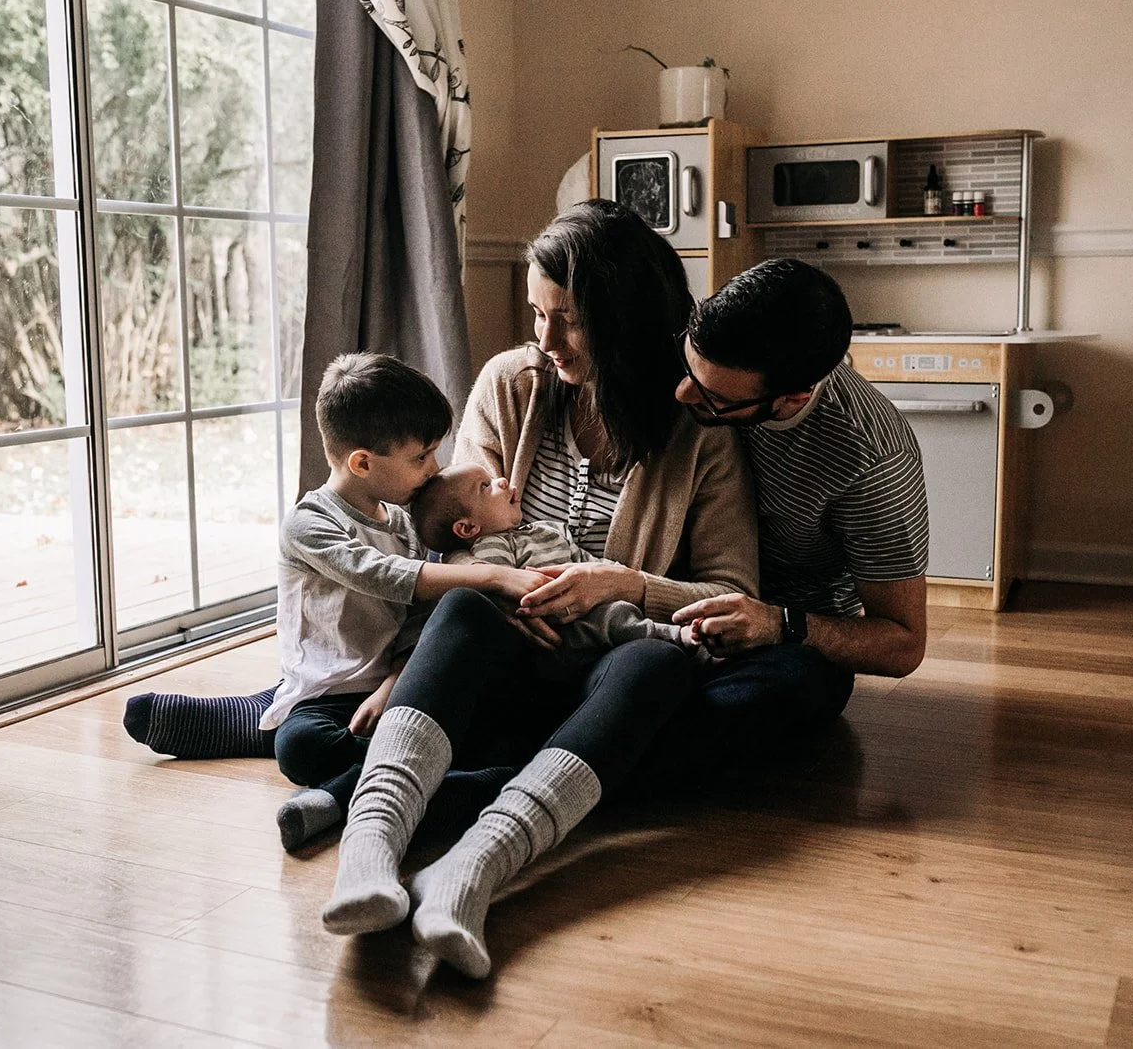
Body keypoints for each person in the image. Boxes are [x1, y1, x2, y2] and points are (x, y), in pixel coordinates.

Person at [320, 200, 759, 980]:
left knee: (662, 670)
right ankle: (367, 850)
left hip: (611, 654)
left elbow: (729, 590)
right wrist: (404, 668)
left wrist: (620, 583)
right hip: (506, 646)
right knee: (458, 610)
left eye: (571, 321)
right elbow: (452, 532)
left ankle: (474, 869)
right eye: (537, 314)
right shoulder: (512, 384)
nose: (545, 340)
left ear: (625, 323)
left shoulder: (699, 433)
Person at [124, 352, 544, 851]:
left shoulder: (405, 523)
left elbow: (419, 621)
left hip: (395, 690)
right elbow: (385, 576)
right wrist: (495, 576)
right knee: (301, 747)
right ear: (362, 463)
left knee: (488, 725)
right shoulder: (310, 524)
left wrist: (393, 683)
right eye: (421, 457)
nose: (435, 469)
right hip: (328, 695)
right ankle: (273, 719)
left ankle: (283, 725)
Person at [653, 256, 929, 788]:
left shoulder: (870, 459)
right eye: (688, 367)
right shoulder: (701, 363)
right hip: (664, 598)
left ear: (792, 398)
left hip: (776, 638)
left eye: (712, 397)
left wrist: (780, 624)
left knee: (781, 692)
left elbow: (903, 644)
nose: (682, 395)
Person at [408, 462, 702, 662]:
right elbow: (498, 590)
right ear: (468, 529)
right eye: (486, 486)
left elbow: (587, 563)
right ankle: (674, 636)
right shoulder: (492, 548)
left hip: (590, 604)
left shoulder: (547, 529)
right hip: (558, 626)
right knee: (613, 619)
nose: (501, 479)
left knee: (618, 612)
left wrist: (614, 576)